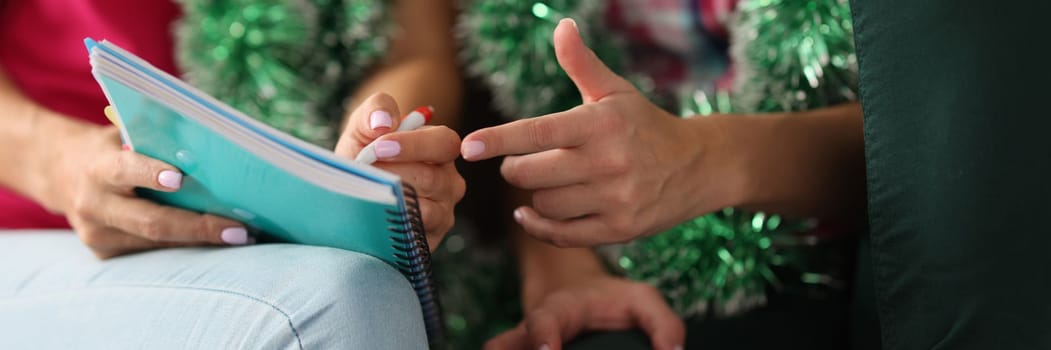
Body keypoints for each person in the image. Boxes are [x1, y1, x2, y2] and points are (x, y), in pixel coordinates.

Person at [464, 18, 864, 350]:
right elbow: (516, 114)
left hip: (803, 265)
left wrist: (705, 158)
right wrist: (566, 270)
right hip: (590, 268)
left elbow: (910, 152)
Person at [0, 0, 464, 257]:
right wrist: (58, 164)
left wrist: (372, 147)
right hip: (46, 227)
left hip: (287, 230)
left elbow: (416, 50)